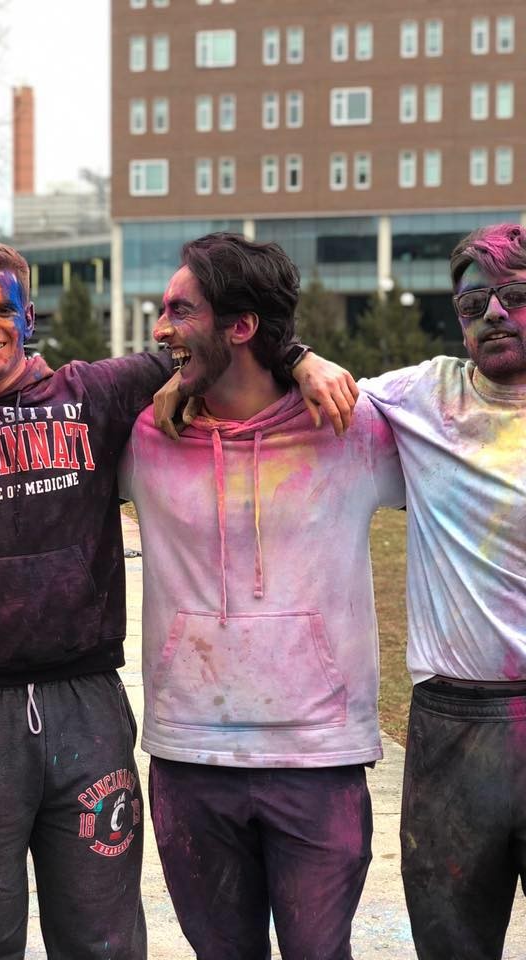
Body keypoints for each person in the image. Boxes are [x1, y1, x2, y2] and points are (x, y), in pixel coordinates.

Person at [0, 237, 354, 959]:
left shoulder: (94, 393)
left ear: (28, 315)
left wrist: (302, 357)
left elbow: (221, 338)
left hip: (86, 707)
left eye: (1, 308)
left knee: (103, 940)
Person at [119, 233, 405, 960]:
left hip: (318, 759)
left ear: (241, 326)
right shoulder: (147, 436)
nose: (161, 329)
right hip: (189, 757)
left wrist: (303, 356)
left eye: (181, 310)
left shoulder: (355, 425)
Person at [357, 223, 526, 960]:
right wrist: (300, 362)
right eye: (473, 302)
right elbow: (292, 402)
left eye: (516, 295)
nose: (494, 314)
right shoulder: (421, 396)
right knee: (451, 945)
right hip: (453, 726)